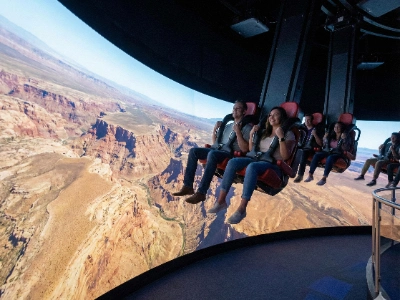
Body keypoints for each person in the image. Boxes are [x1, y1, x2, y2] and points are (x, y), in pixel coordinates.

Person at [207, 106, 296, 224]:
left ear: (282, 118)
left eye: (275, 114)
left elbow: (285, 156)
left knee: (252, 167)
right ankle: (221, 201)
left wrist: (281, 137)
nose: (271, 117)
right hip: (255, 158)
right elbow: (250, 150)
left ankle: (242, 209)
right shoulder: (265, 132)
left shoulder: (288, 134)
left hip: (272, 164)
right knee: (232, 162)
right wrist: (251, 135)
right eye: (270, 115)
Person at [171, 100, 252, 204]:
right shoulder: (228, 125)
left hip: (229, 153)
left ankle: (201, 192)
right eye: (233, 108)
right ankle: (188, 186)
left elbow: (245, 149)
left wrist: (238, 132)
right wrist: (215, 130)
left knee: (212, 154)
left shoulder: (247, 128)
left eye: (238, 108)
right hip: (217, 150)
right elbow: (215, 143)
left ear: (244, 111)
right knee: (193, 151)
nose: (234, 110)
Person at [304, 122, 351, 186]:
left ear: (342, 128)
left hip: (337, 153)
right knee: (316, 155)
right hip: (328, 151)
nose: (336, 128)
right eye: (335, 127)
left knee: (330, 158)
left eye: (338, 127)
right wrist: (325, 138)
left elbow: (345, 148)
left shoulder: (346, 136)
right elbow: (325, 145)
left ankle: (324, 178)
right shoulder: (331, 136)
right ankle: (310, 175)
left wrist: (344, 139)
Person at [293, 113, 323, 183]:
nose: (307, 121)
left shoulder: (317, 130)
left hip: (311, 148)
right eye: (305, 120)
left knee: (303, 154)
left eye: (309, 120)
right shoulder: (301, 128)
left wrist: (315, 134)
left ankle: (300, 175)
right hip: (301, 146)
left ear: (312, 121)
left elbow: (320, 144)